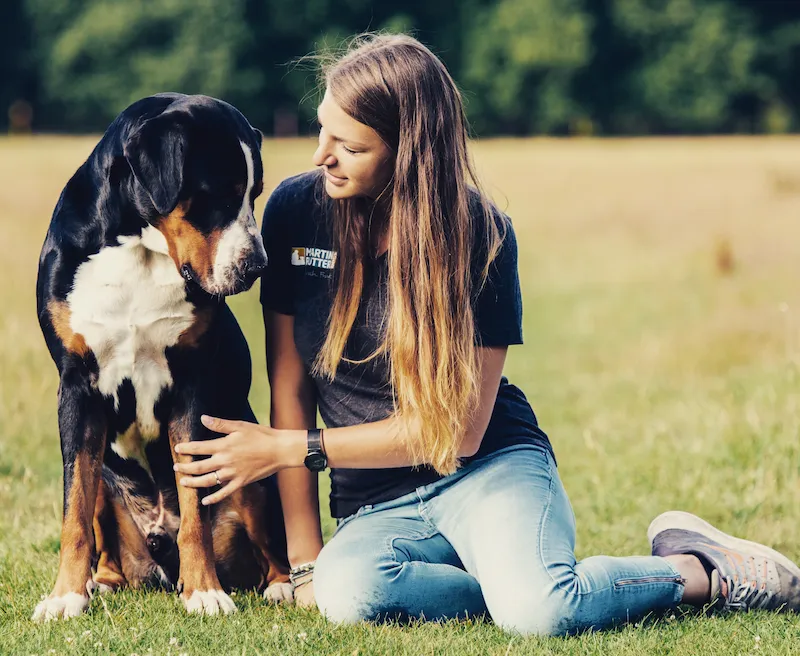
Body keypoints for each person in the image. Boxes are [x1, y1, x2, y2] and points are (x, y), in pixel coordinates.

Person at [172, 34, 800, 635]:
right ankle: (512, 581)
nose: (320, 156)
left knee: (541, 614)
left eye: (350, 146)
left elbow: (455, 432)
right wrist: (307, 560)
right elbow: (291, 382)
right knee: (348, 593)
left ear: (405, 150)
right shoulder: (294, 210)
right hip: (377, 501)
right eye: (321, 130)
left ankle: (701, 571)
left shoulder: (481, 235)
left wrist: (286, 448)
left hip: (489, 468)